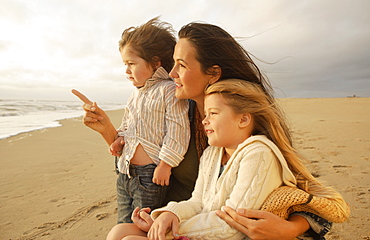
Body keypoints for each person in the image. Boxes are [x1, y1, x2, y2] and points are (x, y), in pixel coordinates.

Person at [82, 21, 338, 239]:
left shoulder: (246, 126)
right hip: (184, 215)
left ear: (213, 73)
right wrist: (107, 131)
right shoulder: (180, 111)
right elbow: (140, 155)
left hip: (216, 228)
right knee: (118, 232)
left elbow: (303, 191)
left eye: (181, 65)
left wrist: (290, 228)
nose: (171, 73)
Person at [107, 79, 349, 240]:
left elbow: (231, 227)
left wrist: (169, 231)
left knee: (129, 239)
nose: (204, 120)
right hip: (206, 229)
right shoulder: (213, 153)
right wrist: (169, 215)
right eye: (205, 114)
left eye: (213, 114)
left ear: (243, 120)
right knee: (120, 231)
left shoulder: (258, 154)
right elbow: (198, 201)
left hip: (229, 236)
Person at [74, 18, 190, 224]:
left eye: (131, 64)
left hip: (149, 176)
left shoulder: (169, 90)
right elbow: (128, 126)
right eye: (124, 64)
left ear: (155, 62)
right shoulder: (135, 95)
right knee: (123, 221)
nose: (126, 70)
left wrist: (165, 164)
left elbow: (178, 132)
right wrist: (120, 139)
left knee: (142, 225)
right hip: (124, 171)